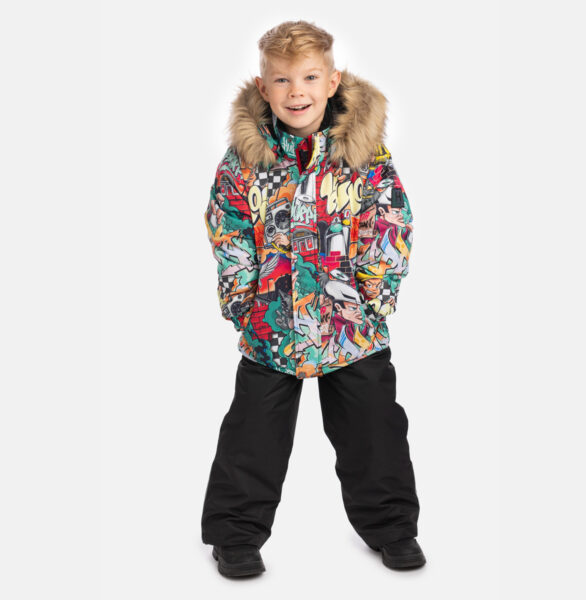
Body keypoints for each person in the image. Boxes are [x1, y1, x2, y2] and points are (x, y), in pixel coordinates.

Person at [202, 20, 425, 577]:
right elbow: (228, 229)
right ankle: (235, 535)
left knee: (374, 429)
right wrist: (244, 301)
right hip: (272, 324)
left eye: (307, 78)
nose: (296, 92)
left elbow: (389, 220)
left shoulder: (364, 155)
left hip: (351, 327)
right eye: (282, 80)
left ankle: (393, 527)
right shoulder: (244, 162)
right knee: (252, 435)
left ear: (332, 81)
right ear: (263, 87)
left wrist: (372, 296)